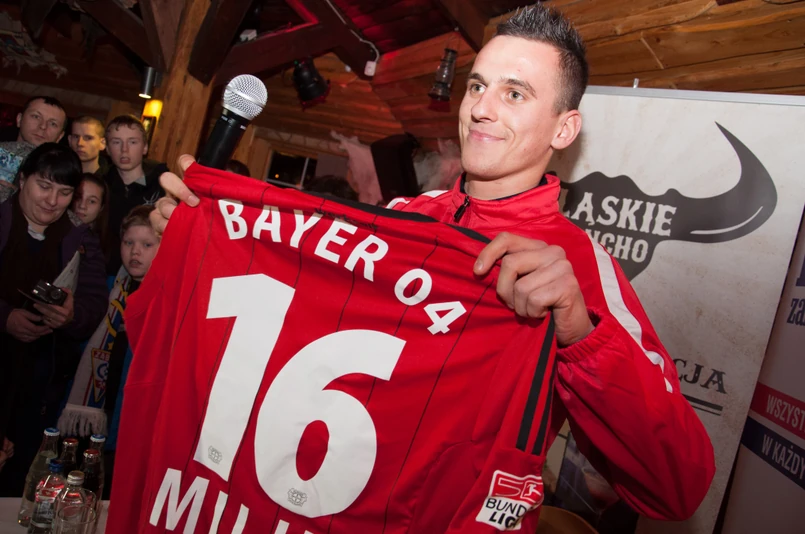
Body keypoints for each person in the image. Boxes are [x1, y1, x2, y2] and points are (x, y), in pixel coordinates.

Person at [152, 4, 715, 523]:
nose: (482, 109)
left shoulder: (577, 270)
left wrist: (580, 335)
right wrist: (204, 242)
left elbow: (678, 485)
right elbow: (290, 324)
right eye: (478, 86)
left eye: (515, 94)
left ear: (563, 129)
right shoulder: (404, 216)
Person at [0, 143, 107, 495]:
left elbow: (95, 305)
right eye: (44, 187)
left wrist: (71, 315)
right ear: (22, 180)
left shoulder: (81, 238)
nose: (52, 201)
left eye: (64, 193)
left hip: (38, 386)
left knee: (19, 485)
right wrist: (5, 317)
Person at [57, 204, 160, 497]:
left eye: (147, 245)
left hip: (132, 415)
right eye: (128, 242)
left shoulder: (167, 298)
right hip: (93, 407)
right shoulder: (108, 287)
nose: (135, 251)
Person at [103, 115, 166, 275]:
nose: (124, 149)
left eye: (132, 142)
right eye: (116, 142)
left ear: (145, 147)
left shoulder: (163, 186)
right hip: (105, 271)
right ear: (107, 149)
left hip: (152, 272)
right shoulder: (100, 188)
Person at [0, 97, 68, 189]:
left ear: (60, 136)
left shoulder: (61, 175)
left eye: (53, 124)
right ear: (19, 119)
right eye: (36, 117)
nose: (43, 126)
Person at [73, 173, 112, 264]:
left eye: (91, 201)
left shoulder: (106, 245)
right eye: (78, 197)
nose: (82, 206)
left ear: (101, 207)